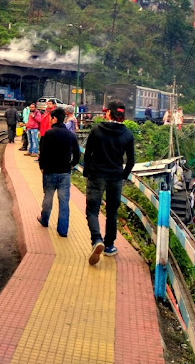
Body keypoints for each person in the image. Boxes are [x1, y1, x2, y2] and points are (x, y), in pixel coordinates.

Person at [83, 100, 135, 265]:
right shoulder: (128, 134)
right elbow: (131, 161)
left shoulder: (96, 130)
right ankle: (109, 246)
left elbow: (88, 154)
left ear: (109, 113)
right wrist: (123, 175)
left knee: (92, 211)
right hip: (115, 178)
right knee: (112, 212)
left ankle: (97, 239)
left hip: (96, 176)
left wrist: (86, 172)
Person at [37, 108, 80, 237]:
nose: (50, 120)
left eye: (51, 118)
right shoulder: (71, 135)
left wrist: (42, 166)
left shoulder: (48, 133)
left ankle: (44, 220)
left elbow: (42, 152)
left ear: (54, 118)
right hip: (65, 173)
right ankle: (62, 230)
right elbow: (77, 155)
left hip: (50, 172)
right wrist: (71, 165)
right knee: (64, 202)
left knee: (48, 197)